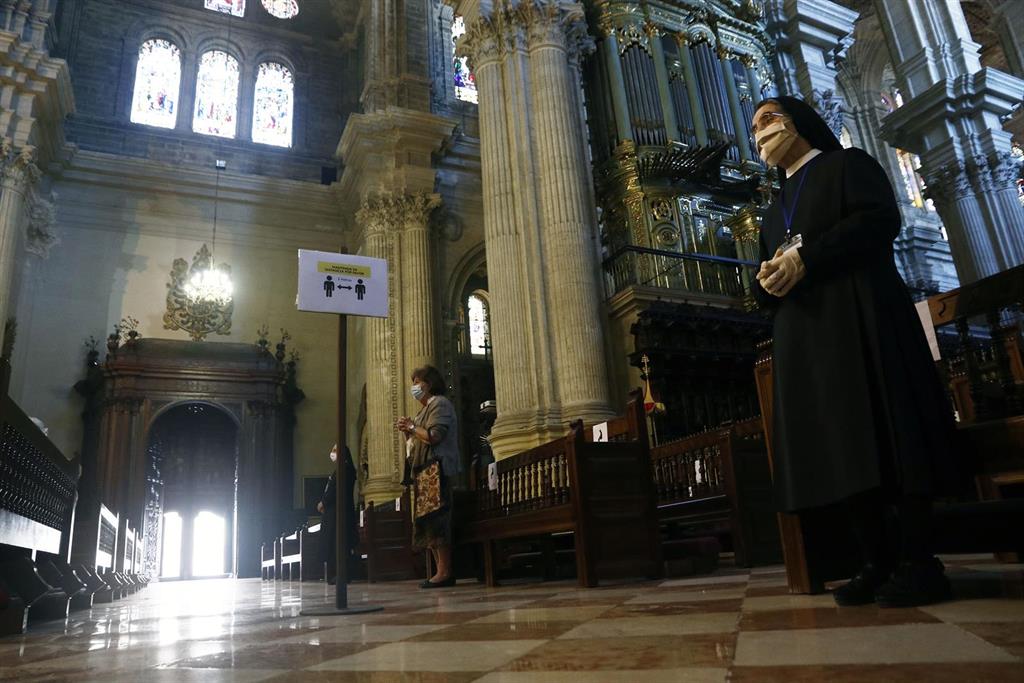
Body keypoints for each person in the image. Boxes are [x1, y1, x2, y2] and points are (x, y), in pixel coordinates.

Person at [750, 96, 959, 608]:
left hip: (862, 317)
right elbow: (768, 271)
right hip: (809, 339)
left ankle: (920, 562)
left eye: (769, 119)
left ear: (800, 121)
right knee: (842, 446)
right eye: (753, 127)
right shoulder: (774, 209)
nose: (760, 132)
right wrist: (766, 280)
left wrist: (809, 257)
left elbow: (878, 221)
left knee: (890, 434)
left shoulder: (846, 164)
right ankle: (875, 562)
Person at [395, 365, 460, 588]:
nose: (414, 386)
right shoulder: (423, 411)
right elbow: (415, 445)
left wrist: (412, 427)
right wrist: (408, 433)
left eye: (417, 381)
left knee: (438, 520)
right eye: (412, 381)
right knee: (428, 523)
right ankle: (439, 571)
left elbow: (434, 436)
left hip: (437, 468)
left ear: (429, 383)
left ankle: (445, 571)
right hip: (425, 471)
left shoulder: (440, 403)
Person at [317, 443, 358, 585]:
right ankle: (338, 574)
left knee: (339, 543)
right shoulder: (343, 469)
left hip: (339, 513)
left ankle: (342, 575)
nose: (332, 453)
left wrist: (323, 502)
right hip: (335, 512)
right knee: (335, 543)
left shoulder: (345, 469)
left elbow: (335, 490)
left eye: (335, 450)